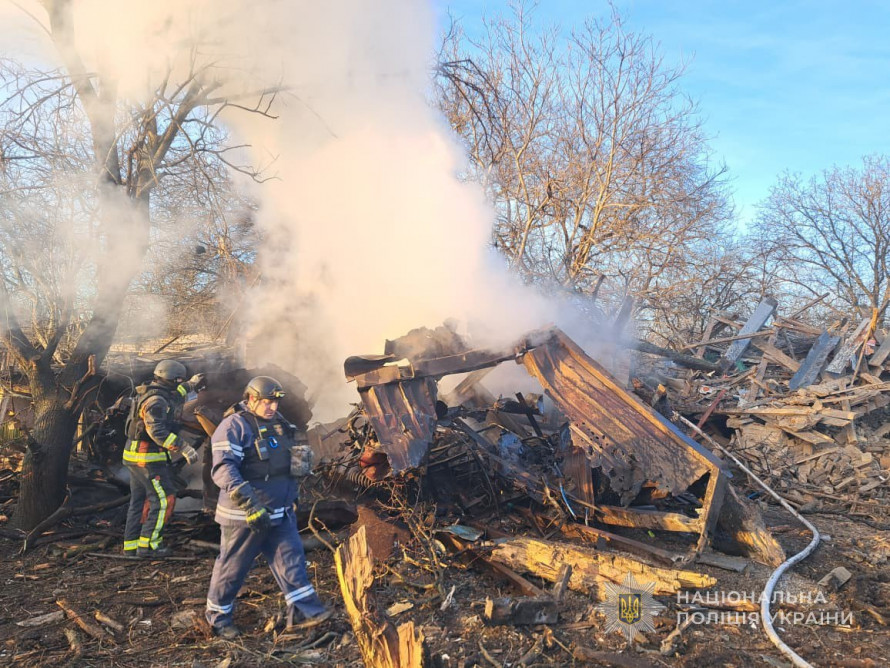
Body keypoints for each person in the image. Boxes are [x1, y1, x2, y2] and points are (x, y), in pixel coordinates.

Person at [205, 376, 329, 639]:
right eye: (266, 402)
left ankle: (305, 613)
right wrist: (251, 505)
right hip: (245, 517)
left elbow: (290, 468)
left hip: (280, 512)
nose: (272, 407)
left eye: (274, 402)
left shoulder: (282, 426)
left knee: (292, 561)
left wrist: (294, 490)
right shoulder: (234, 426)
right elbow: (224, 469)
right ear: (251, 399)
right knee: (232, 569)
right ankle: (218, 618)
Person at [122, 360, 204, 558]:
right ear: (171, 380)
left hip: (136, 458)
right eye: (178, 381)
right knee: (164, 499)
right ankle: (150, 546)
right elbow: (156, 430)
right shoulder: (156, 401)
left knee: (138, 501)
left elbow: (177, 393)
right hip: (147, 459)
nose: (180, 384)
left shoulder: (157, 391)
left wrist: (192, 384)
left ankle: (131, 546)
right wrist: (183, 447)